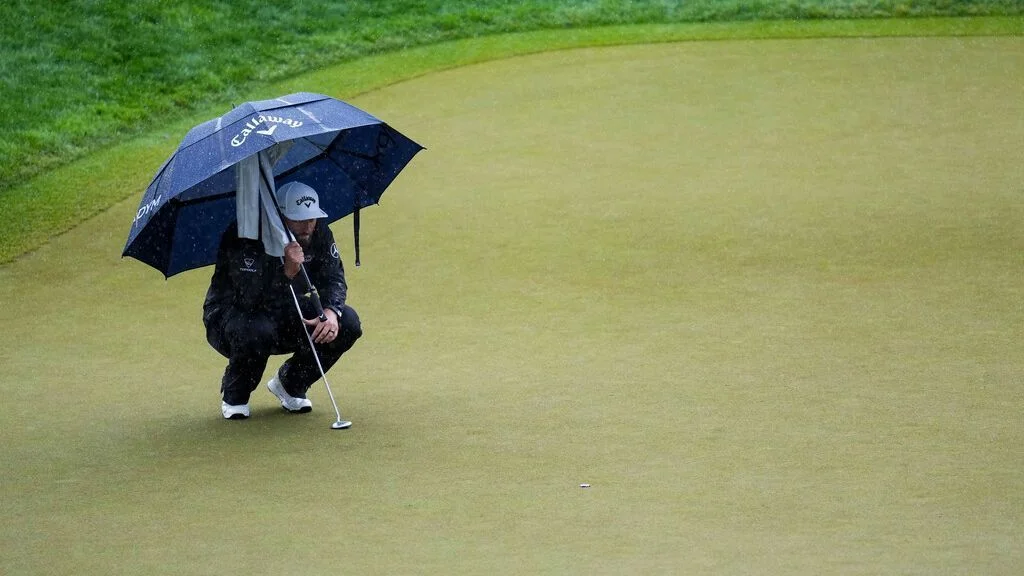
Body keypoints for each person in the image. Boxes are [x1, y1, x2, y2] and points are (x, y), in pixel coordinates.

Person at [203, 181, 362, 419]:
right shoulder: (245, 234)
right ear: (280, 216)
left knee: (347, 323)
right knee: (259, 329)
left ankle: (290, 384)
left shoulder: (318, 232)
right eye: (299, 220)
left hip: (283, 309)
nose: (307, 227)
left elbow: (334, 278)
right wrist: (286, 272)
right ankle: (235, 394)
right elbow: (248, 299)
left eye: (311, 219)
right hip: (229, 317)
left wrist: (330, 312)